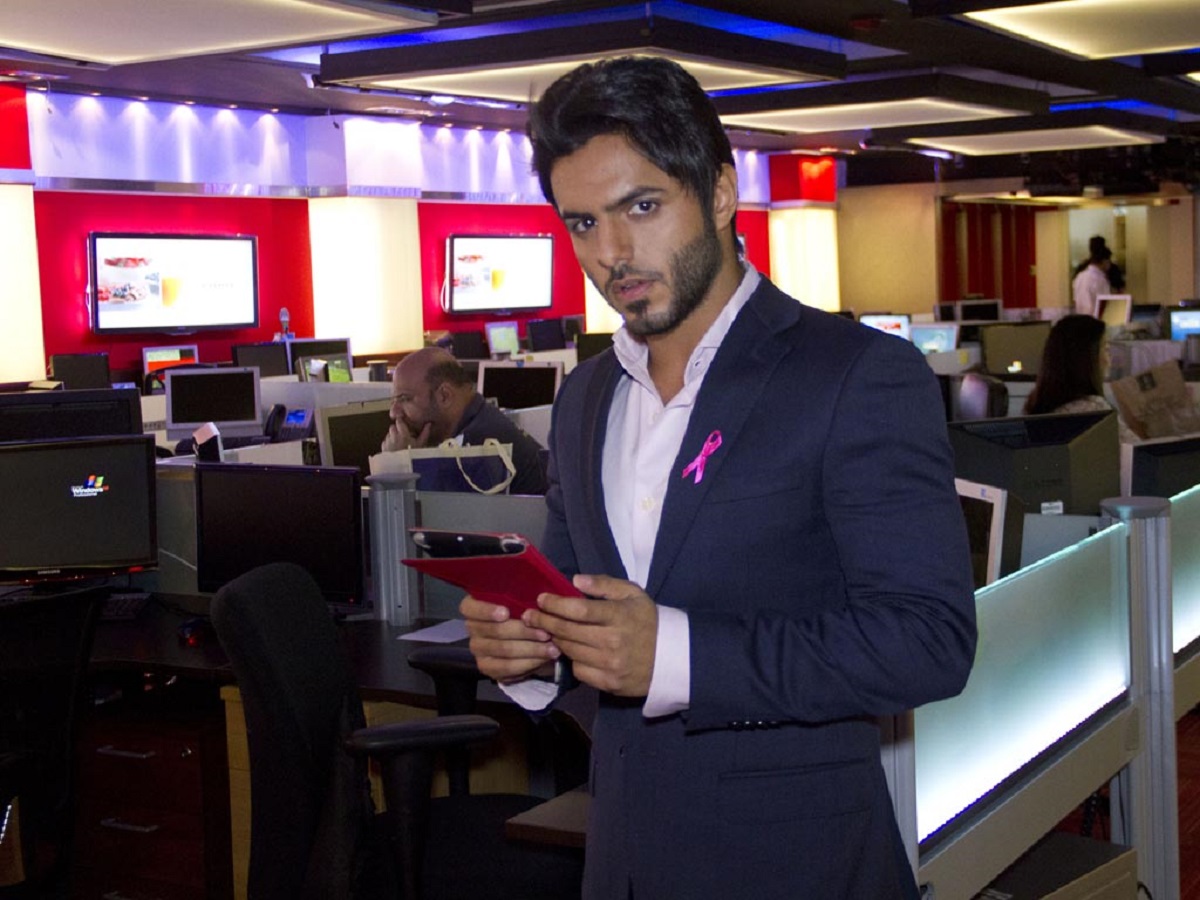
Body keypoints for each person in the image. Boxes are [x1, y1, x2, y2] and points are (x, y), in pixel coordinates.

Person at [459, 57, 976, 900]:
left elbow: (928, 642)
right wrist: (531, 653)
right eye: (583, 223)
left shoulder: (853, 374)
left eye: (642, 207)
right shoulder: (586, 397)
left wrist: (677, 655)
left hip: (797, 868)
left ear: (722, 192)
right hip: (621, 860)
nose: (612, 253)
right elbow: (579, 609)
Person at [381, 346, 548, 494]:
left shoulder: (478, 451)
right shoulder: (483, 420)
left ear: (444, 396)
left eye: (405, 399)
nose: (393, 413)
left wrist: (399, 465)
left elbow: (429, 517)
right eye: (393, 401)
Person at [1024, 313, 1138, 442]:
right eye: (1106, 349)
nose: (1109, 359)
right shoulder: (1094, 409)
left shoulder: (1036, 405)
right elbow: (1137, 449)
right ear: (1087, 359)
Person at [1072, 246, 1112, 317]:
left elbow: (1075, 301)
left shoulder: (1079, 277)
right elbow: (1105, 305)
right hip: (1095, 319)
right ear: (1104, 261)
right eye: (1109, 261)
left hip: (1080, 318)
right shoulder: (1101, 280)